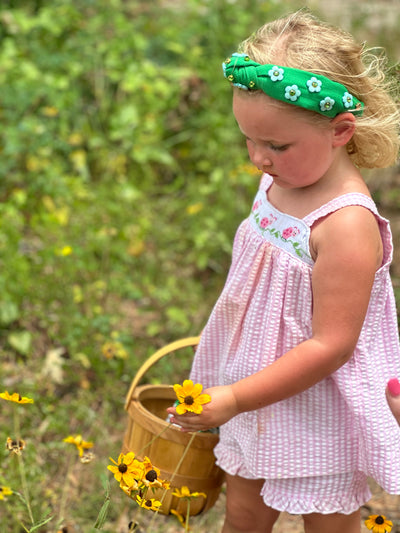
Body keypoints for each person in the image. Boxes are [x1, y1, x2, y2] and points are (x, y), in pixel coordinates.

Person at [167, 10, 400, 533]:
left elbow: (331, 345)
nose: (258, 159)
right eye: (248, 139)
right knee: (244, 515)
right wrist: (233, 386)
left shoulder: (344, 225)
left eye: (276, 145)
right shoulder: (281, 180)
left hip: (318, 405)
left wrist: (232, 398)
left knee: (327, 522)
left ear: (342, 131)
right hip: (253, 381)